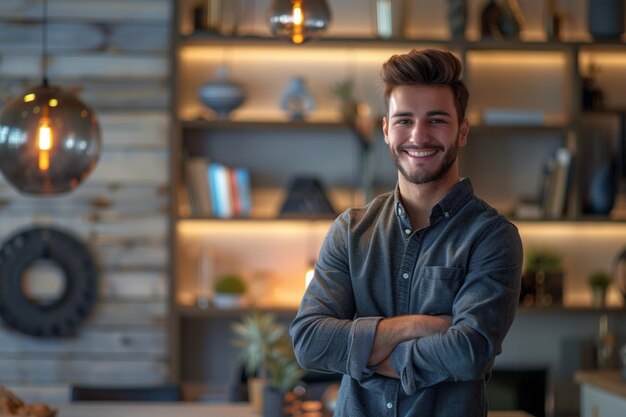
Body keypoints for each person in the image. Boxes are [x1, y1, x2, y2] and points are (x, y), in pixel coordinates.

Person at [289, 48, 523, 417]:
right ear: (386, 130)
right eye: (404, 120)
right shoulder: (350, 231)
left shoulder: (491, 236)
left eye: (436, 120)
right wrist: (416, 327)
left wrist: (361, 354)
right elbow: (309, 341)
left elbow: (468, 352)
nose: (418, 135)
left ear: (462, 131)